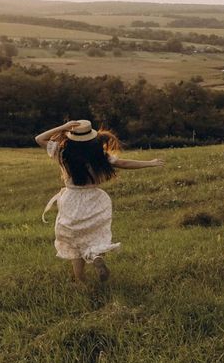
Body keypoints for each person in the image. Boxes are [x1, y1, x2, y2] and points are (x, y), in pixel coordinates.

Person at [35, 119, 164, 285]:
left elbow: (39, 139)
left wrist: (64, 127)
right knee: (94, 235)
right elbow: (123, 163)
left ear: (71, 136)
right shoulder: (99, 154)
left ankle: (80, 282)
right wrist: (150, 163)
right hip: (95, 199)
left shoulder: (62, 152)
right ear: (92, 137)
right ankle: (95, 257)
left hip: (72, 199)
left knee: (74, 241)